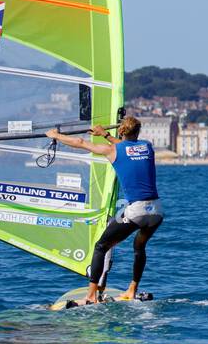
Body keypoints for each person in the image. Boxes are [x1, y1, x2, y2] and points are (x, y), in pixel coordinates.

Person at [46, 115, 163, 303]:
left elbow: (80, 142)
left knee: (101, 246)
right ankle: (132, 289)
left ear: (121, 131)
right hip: (156, 211)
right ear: (138, 132)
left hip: (137, 211)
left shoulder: (112, 150)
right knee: (139, 247)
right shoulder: (147, 147)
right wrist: (105, 135)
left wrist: (55, 135)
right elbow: (128, 148)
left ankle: (91, 296)